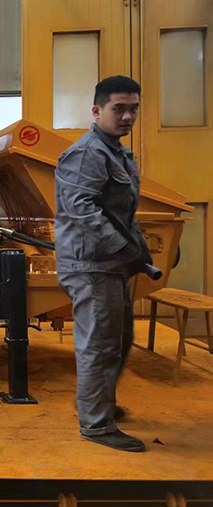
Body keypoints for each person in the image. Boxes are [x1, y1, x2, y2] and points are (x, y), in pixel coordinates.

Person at [54, 75, 153, 453]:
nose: (127, 116)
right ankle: (96, 425)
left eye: (133, 109)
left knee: (119, 340)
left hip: (110, 264)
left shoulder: (118, 153)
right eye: (119, 109)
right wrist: (122, 247)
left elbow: (123, 213)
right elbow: (81, 209)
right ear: (97, 111)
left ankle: (100, 404)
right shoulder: (88, 153)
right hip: (91, 265)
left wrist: (138, 250)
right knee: (100, 345)